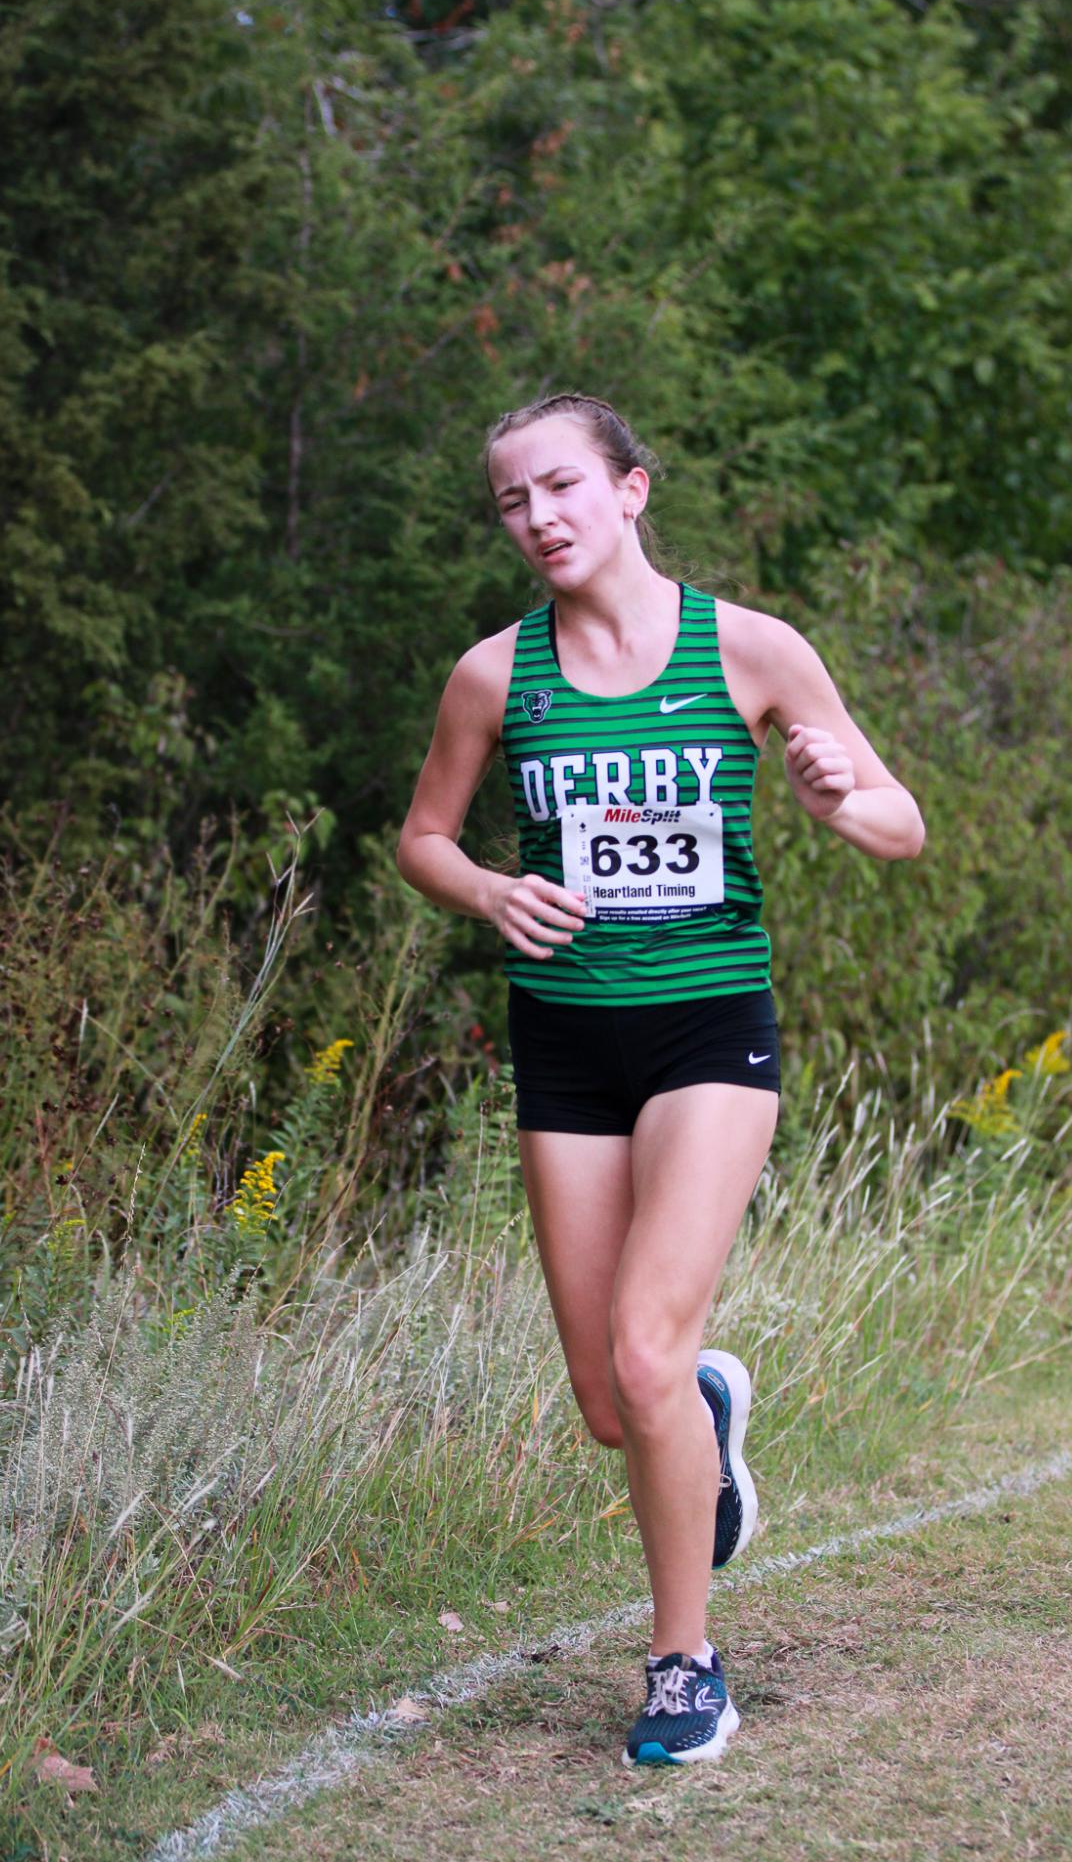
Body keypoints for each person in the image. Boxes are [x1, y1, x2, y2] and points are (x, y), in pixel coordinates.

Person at [396, 393, 924, 1767]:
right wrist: (486, 891)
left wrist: (829, 797)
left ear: (631, 490)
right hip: (563, 1040)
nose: (539, 519)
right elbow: (425, 838)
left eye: (562, 487)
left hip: (706, 1033)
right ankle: (706, 1412)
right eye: (514, 502)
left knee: (643, 1347)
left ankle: (684, 1663)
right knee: (606, 1396)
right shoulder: (492, 677)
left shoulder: (747, 648)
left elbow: (897, 822)